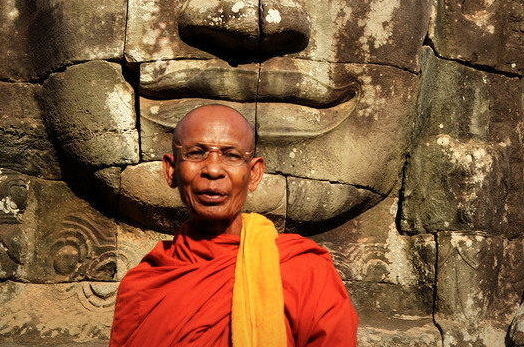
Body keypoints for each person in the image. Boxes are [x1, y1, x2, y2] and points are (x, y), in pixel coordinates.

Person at [109, 104, 358, 346]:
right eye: (196, 153)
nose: (214, 169)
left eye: (231, 155)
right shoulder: (144, 285)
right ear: (171, 170)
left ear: (254, 174)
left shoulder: (304, 270)